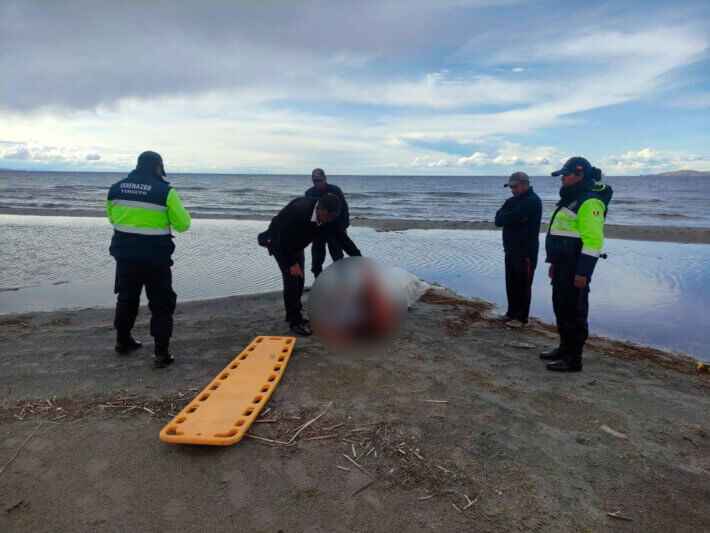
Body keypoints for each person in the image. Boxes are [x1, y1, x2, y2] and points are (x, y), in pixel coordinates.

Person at [106, 151, 191, 368]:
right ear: (158, 167)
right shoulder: (165, 191)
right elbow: (183, 225)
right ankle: (161, 353)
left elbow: (112, 218)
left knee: (126, 298)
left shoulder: (116, 189)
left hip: (125, 256)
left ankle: (122, 342)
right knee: (161, 303)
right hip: (156, 259)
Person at [541, 157, 612, 372]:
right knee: (561, 308)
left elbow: (593, 242)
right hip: (562, 265)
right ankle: (564, 348)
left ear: (580, 175)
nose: (562, 178)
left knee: (575, 312)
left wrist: (583, 272)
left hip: (575, 267)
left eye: (566, 174)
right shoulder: (573, 197)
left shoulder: (589, 201)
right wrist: (553, 262)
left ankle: (574, 359)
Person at [258, 193, 362, 336]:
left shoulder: (330, 219)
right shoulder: (299, 210)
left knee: (300, 279)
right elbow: (283, 236)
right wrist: (290, 263)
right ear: (318, 208)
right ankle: (294, 322)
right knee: (291, 279)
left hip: (297, 244)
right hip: (279, 242)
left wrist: (359, 260)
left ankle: (296, 314)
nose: (328, 221)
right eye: (327, 217)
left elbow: (344, 240)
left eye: (332, 218)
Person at [494, 172, 542, 328]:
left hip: (526, 250)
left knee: (523, 285)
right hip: (510, 248)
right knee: (512, 283)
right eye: (511, 187)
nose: (513, 190)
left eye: (515, 186)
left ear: (525, 184)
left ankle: (521, 318)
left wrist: (509, 217)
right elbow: (498, 220)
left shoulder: (532, 201)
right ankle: (511, 313)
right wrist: (509, 217)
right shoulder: (512, 201)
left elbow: (510, 217)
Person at [305, 168, 350, 277]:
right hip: (318, 231)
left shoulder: (335, 190)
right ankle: (318, 284)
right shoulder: (309, 193)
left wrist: (344, 227)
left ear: (325, 179)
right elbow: (309, 214)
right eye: (315, 181)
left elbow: (344, 208)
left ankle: (342, 283)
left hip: (334, 229)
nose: (318, 183)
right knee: (316, 260)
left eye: (320, 180)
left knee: (338, 258)